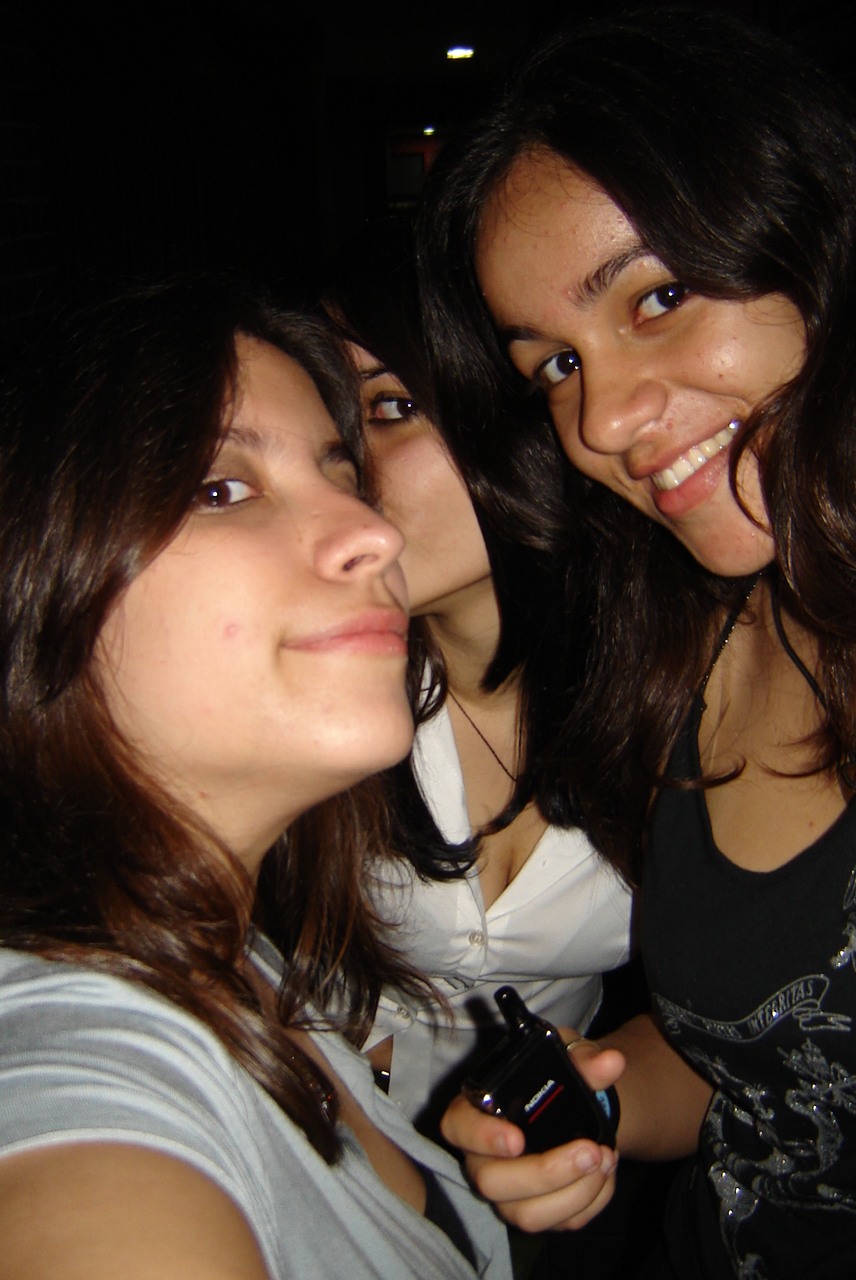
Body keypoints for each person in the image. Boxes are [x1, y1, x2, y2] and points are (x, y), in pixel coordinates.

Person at [416, 10, 856, 1279]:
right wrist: (601, 1104)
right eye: (555, 363)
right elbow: (752, 1048)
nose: (608, 419)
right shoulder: (690, 643)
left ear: (821, 237)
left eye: (660, 297)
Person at [0, 277, 512, 1280]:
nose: (373, 532)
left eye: (344, 475)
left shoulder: (230, 948)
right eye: (222, 489)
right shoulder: (65, 1062)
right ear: (35, 592)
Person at [320, 231, 632, 1133]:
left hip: (537, 1156)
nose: (342, 477)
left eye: (388, 407)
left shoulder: (682, 687)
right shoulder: (310, 679)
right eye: (327, 435)